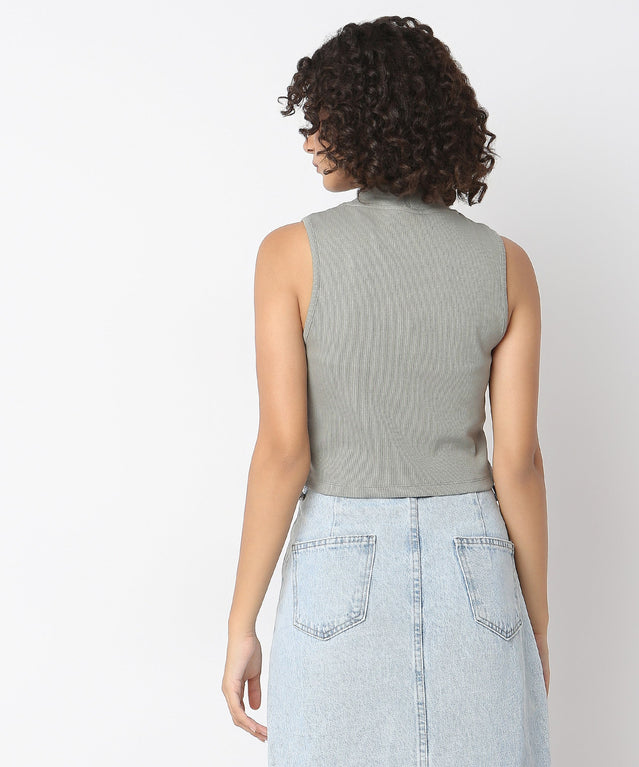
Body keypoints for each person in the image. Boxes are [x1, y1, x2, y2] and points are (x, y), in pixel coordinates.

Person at [222, 15, 551, 766]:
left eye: (321, 119)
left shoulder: (289, 255)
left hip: (338, 561)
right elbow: (519, 463)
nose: (308, 140)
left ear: (369, 122)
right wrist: (535, 628)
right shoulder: (507, 264)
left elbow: (283, 452)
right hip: (477, 566)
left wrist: (243, 623)